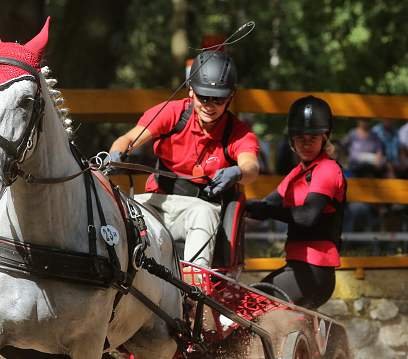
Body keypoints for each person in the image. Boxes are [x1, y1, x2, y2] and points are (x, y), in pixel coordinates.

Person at [108, 50, 259, 267]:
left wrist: (238, 172)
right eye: (203, 97)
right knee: (119, 207)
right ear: (191, 91)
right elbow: (129, 138)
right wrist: (117, 153)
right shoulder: (172, 113)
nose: (209, 105)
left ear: (231, 97)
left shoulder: (238, 132)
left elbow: (251, 166)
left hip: (198, 210)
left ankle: (193, 289)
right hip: (157, 203)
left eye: (218, 99)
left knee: (203, 212)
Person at [245, 96, 346, 310]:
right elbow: (264, 207)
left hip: (314, 272)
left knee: (248, 304)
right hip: (299, 269)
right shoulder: (296, 174)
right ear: (292, 139)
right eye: (300, 138)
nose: (306, 144)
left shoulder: (327, 169)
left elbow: (307, 216)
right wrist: (233, 202)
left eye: (313, 138)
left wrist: (264, 209)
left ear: (324, 137)